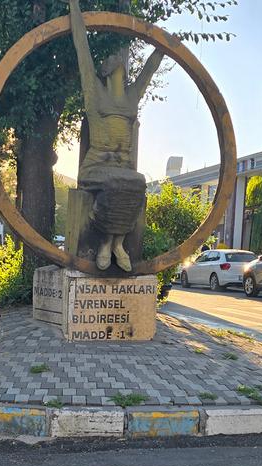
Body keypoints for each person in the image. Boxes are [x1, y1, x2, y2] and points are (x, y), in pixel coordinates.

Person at [69, 0, 165, 272]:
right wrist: (74, 6)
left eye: (122, 56)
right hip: (96, 167)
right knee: (116, 181)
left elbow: (150, 69)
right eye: (114, 57)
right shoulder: (95, 91)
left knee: (137, 181)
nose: (120, 59)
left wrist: (165, 46)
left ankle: (114, 243)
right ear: (106, 67)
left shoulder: (133, 96)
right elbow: (82, 48)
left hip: (122, 170)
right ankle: (105, 245)